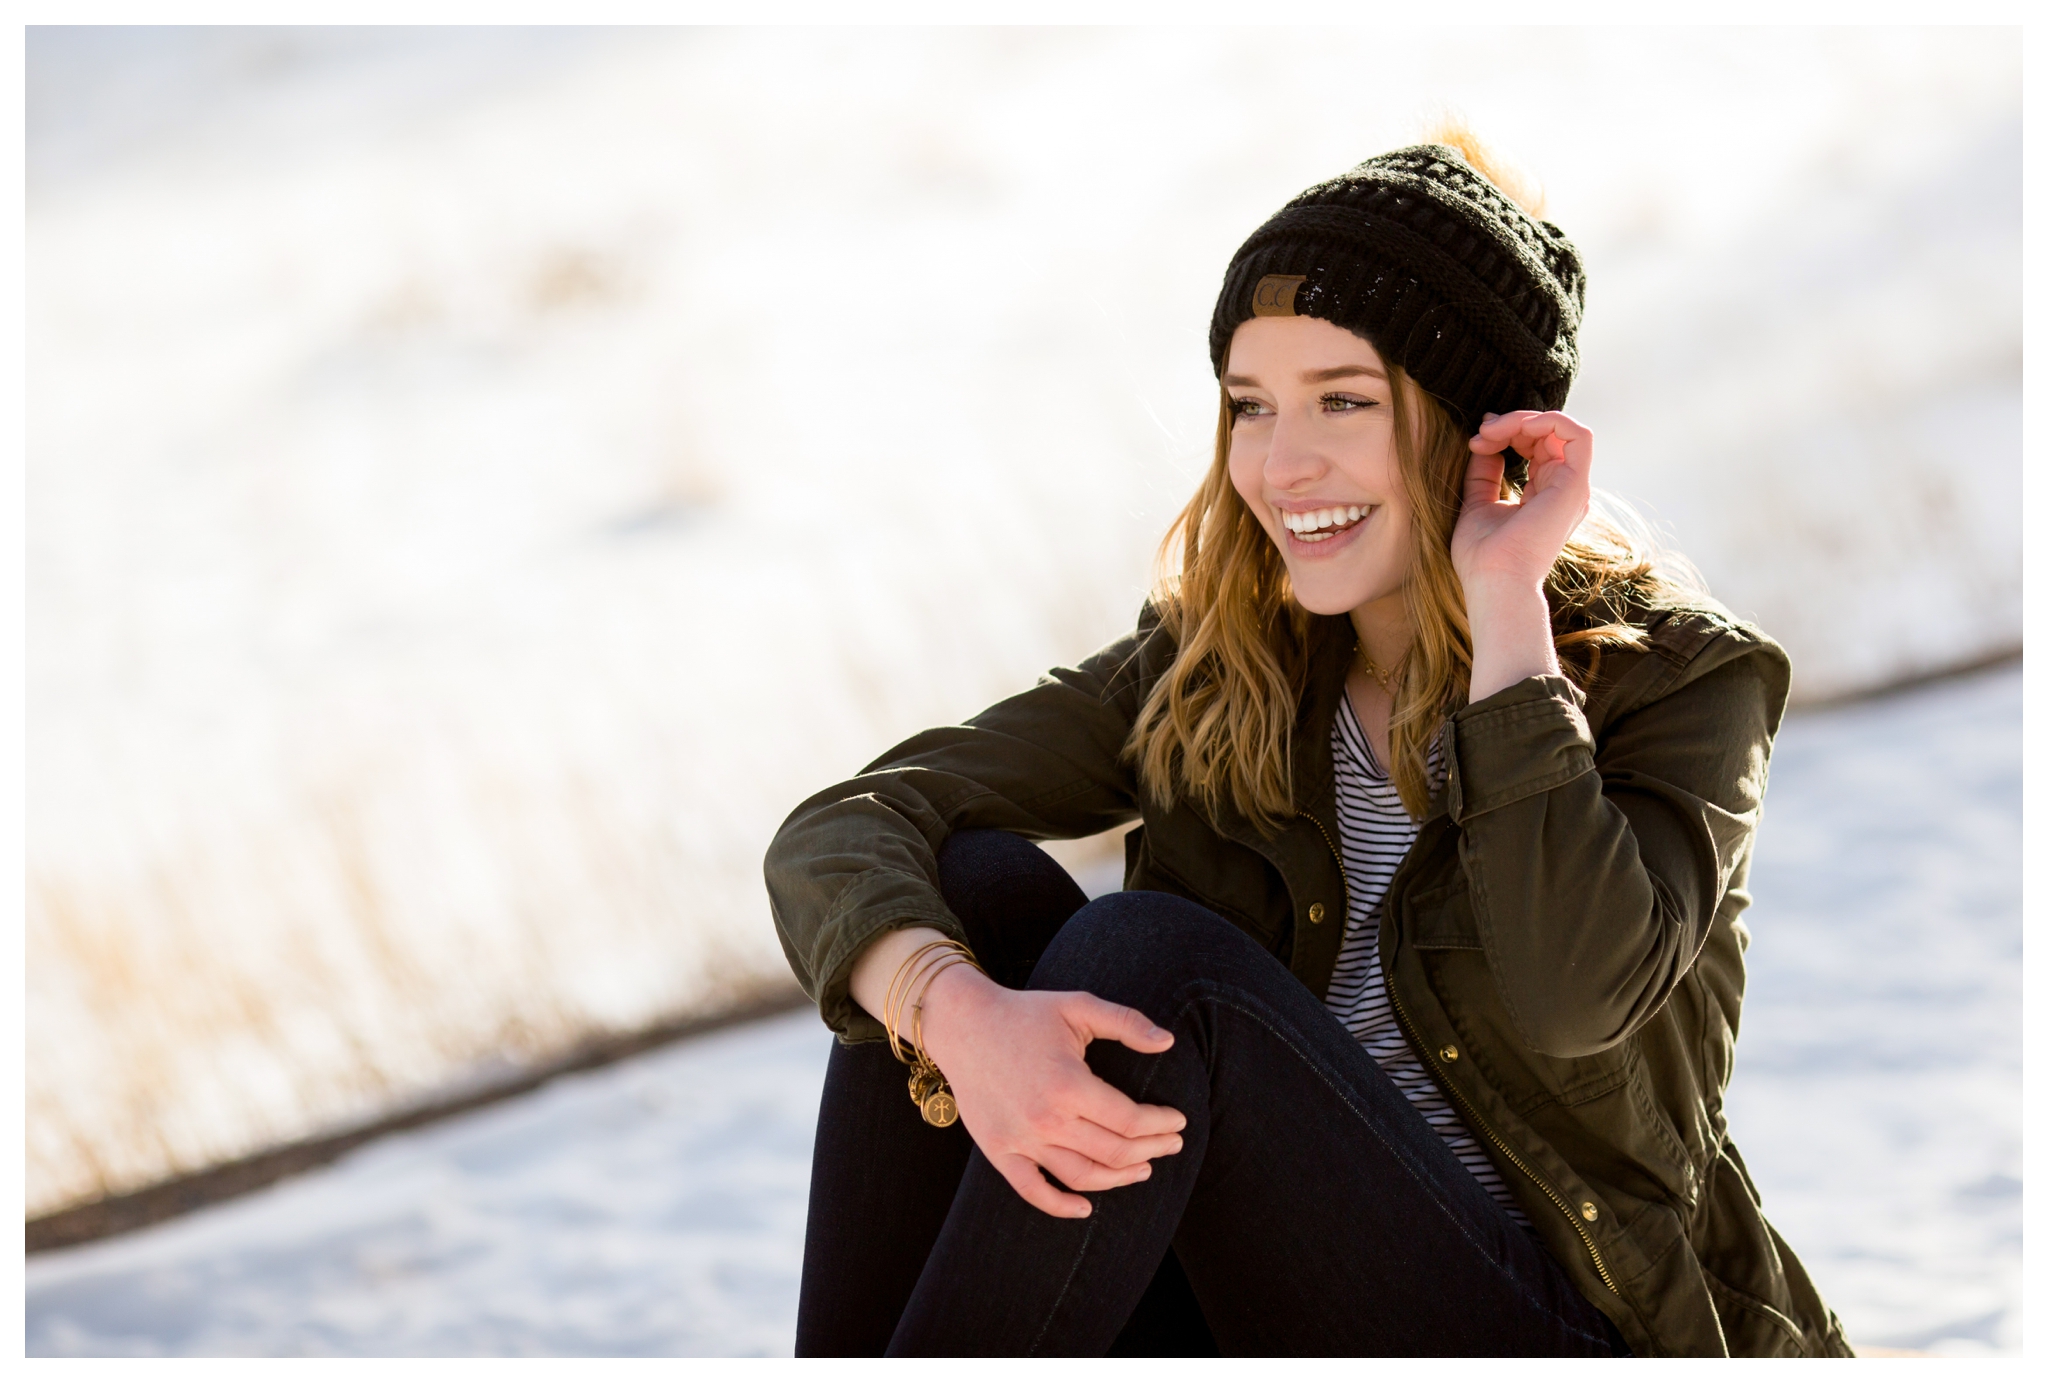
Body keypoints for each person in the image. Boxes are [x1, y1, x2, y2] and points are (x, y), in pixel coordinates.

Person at [765, 133, 1852, 1358]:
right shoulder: (1215, 667)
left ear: (1476, 428)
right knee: (969, 896)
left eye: (1342, 400)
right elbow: (843, 828)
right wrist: (952, 1016)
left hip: (1561, 1326)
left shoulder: (1675, 686)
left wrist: (1504, 612)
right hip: (1252, 1311)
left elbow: (1568, 997)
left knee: (1156, 962)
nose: (1280, 465)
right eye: (1249, 407)